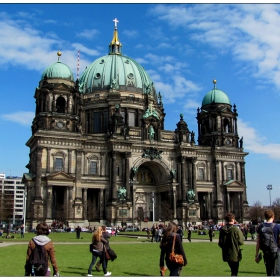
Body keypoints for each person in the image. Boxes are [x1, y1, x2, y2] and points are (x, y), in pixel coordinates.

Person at [255, 210, 280, 276]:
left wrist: (256, 254)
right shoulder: (277, 226)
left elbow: (258, 242)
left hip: (265, 251)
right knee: (276, 272)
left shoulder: (261, 226)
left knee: (269, 272)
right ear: (272, 216)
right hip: (275, 251)